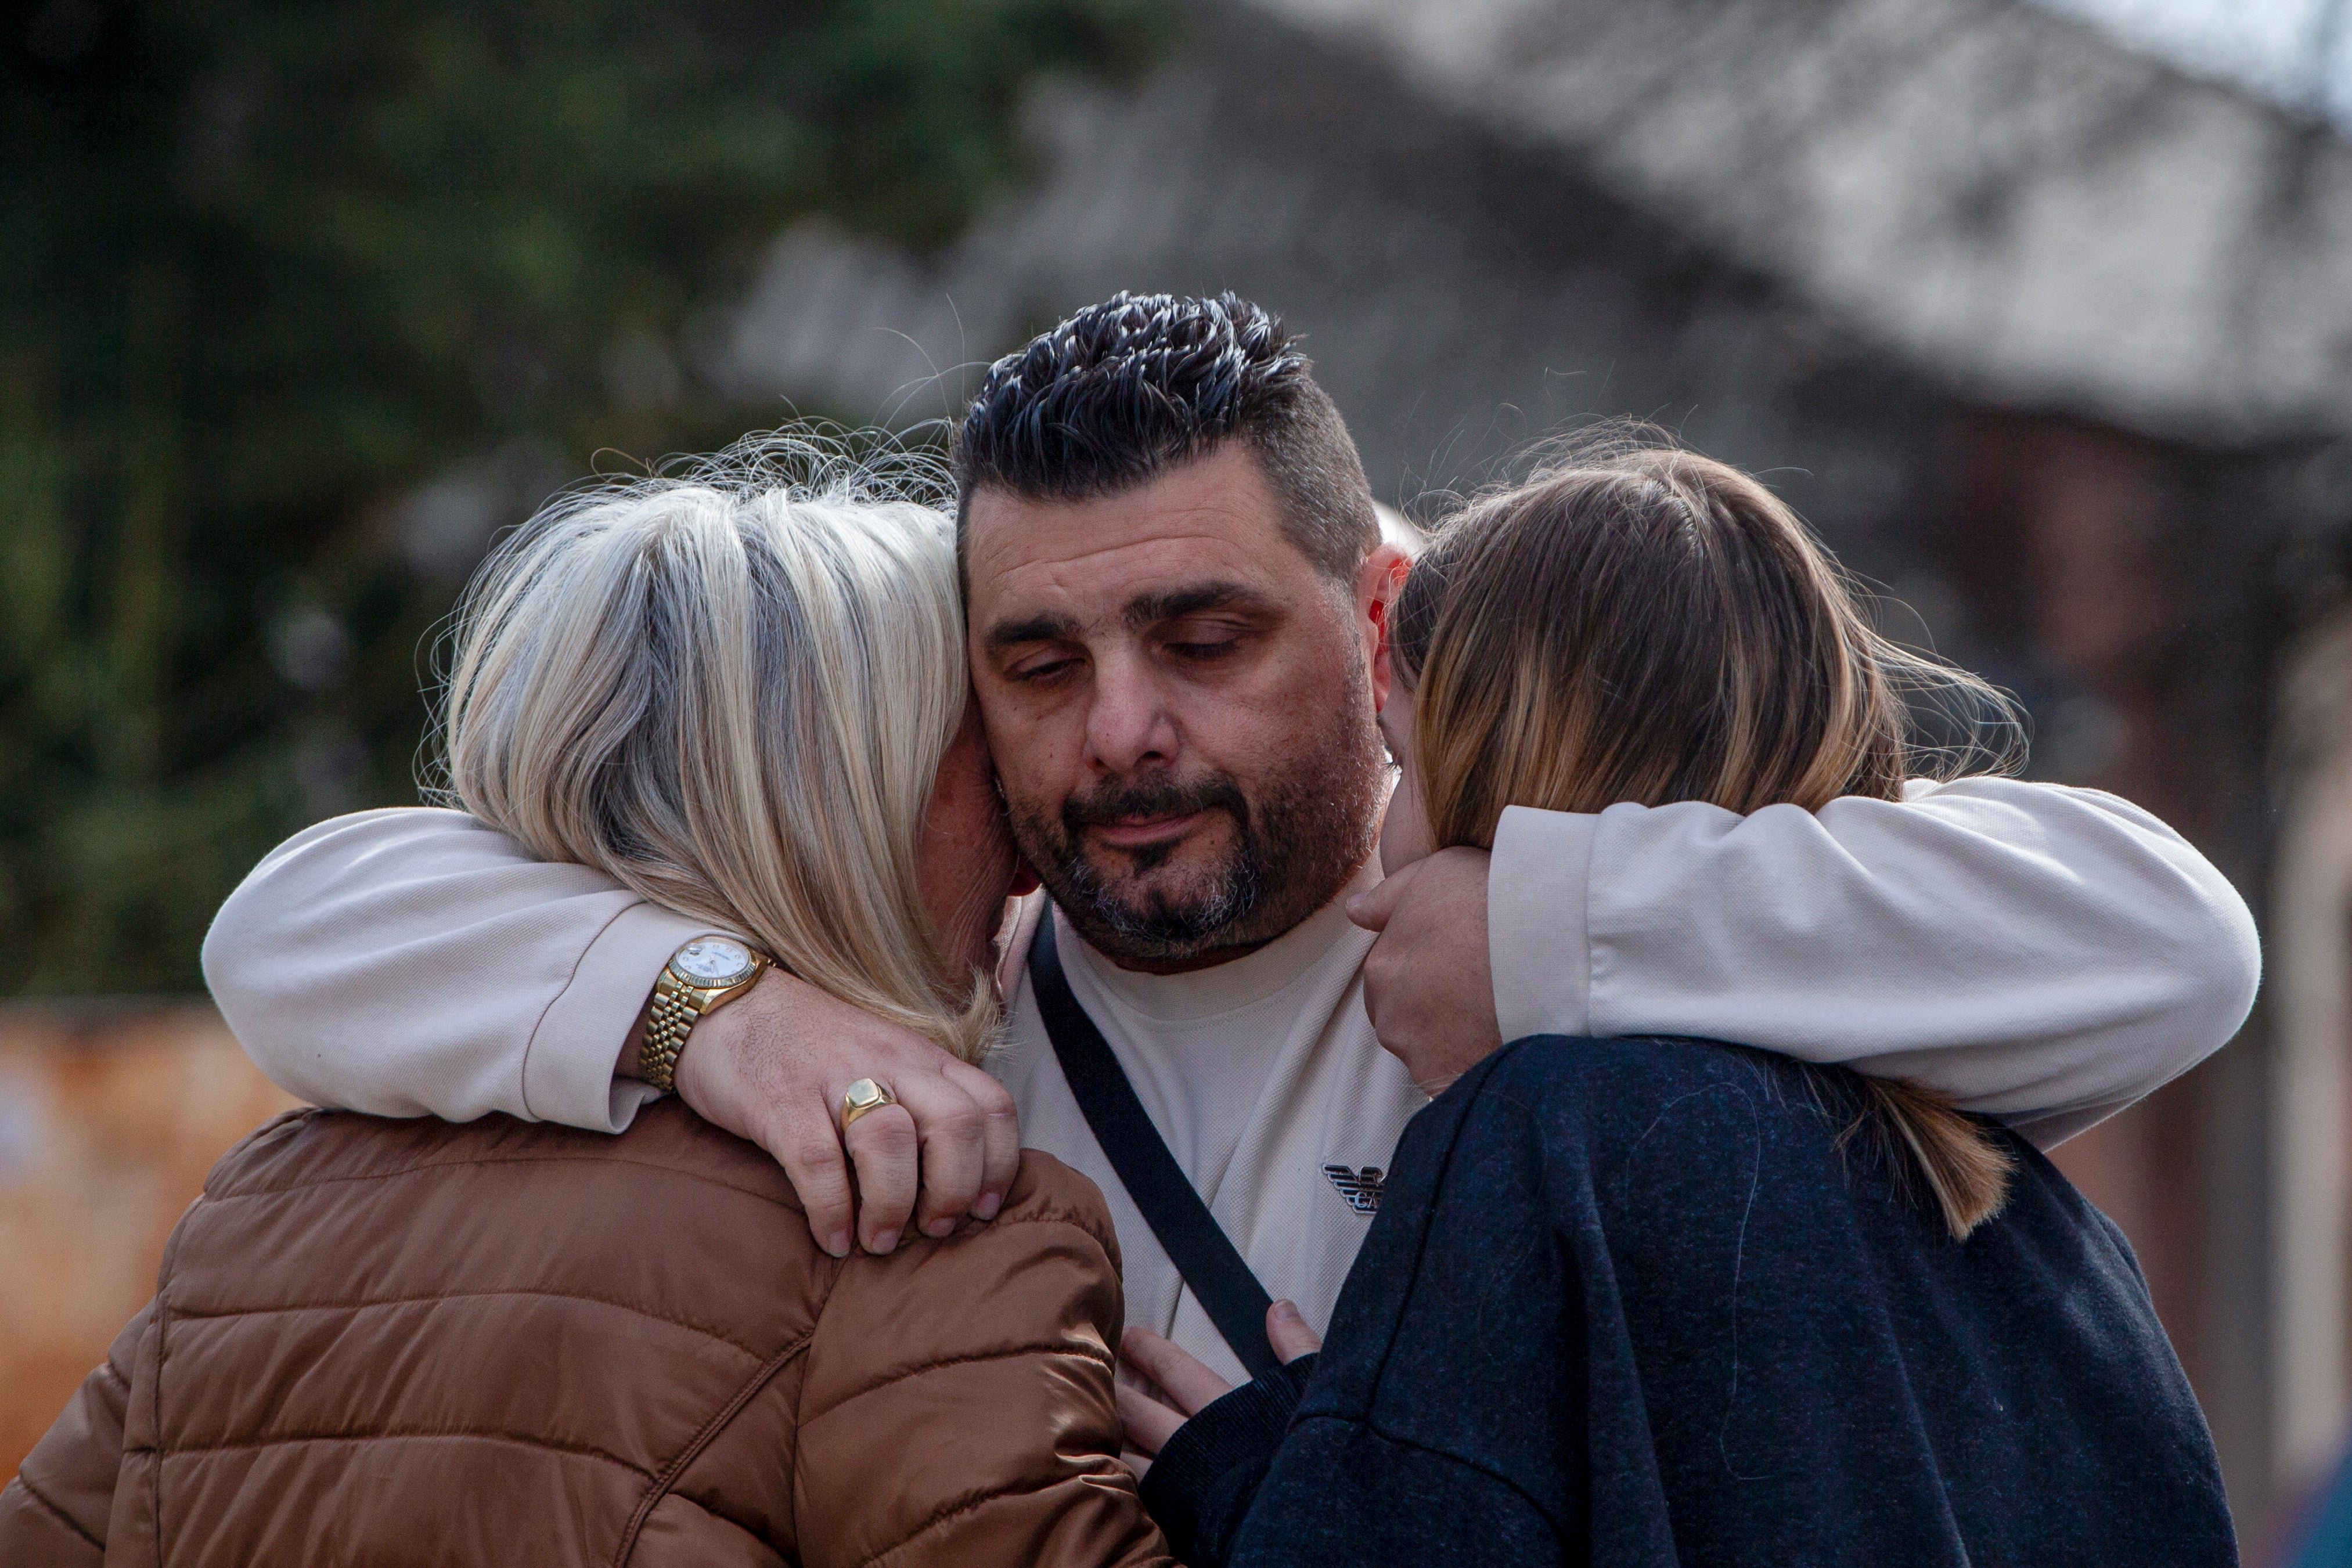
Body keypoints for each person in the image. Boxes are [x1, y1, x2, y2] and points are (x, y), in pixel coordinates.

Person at [196, 293, 2259, 1389]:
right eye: (1035, 660)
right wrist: (709, 1016)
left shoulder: (1594, 910)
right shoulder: (934, 1003)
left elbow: (2170, 942)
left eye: (1200, 636)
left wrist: (1546, 932)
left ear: (1376, 614)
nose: (1117, 734)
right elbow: (289, 927)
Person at [0, 447, 1170, 1567]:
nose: (1029, 851)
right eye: (986, 767)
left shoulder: (252, 1217)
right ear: (844, 817)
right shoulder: (928, 1229)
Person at [1120, 442, 2237, 1566]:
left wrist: (1294, 1479)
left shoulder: (1535, 1141)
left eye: (1404, 764)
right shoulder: (2057, 1245)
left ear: (1498, 770)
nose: (1386, 843)